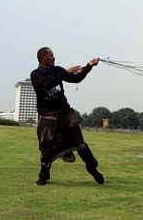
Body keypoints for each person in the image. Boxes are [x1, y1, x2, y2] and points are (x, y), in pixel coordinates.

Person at [30, 47, 104, 186]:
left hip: (64, 113)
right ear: (42, 58)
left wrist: (89, 66)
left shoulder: (58, 70)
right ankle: (44, 175)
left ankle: (92, 168)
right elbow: (47, 85)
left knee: (79, 143)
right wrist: (65, 72)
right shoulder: (35, 74)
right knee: (46, 147)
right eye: (51, 55)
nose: (54, 57)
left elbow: (76, 78)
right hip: (47, 117)